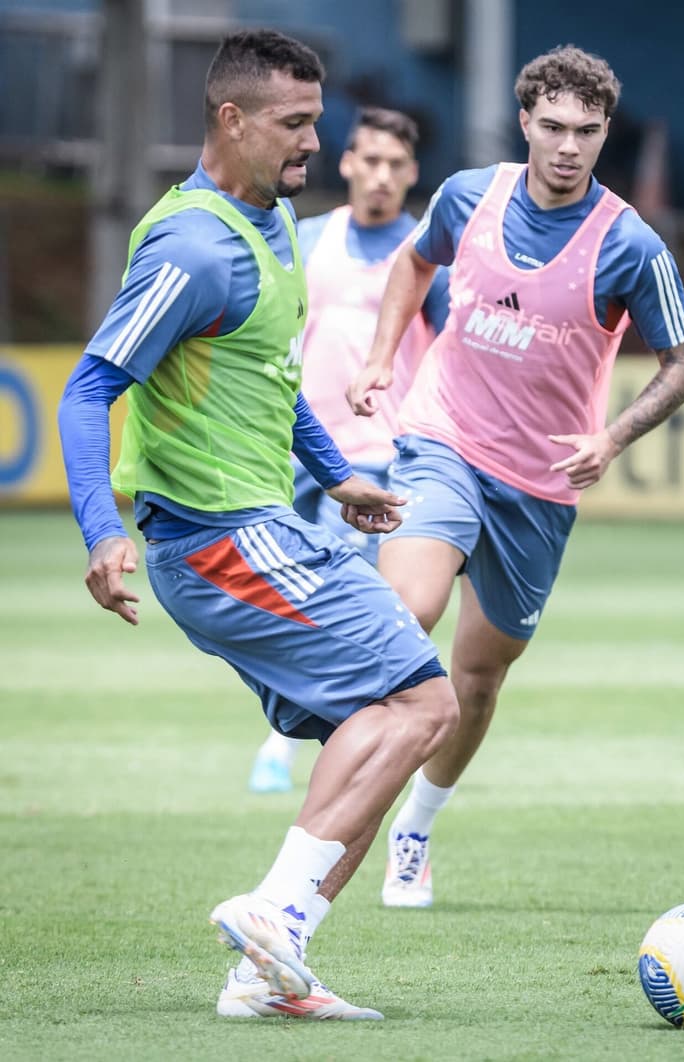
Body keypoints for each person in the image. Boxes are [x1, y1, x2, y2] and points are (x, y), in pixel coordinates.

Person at [57, 29, 458, 1021]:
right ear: (229, 120)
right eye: (293, 123)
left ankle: (269, 973)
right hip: (218, 540)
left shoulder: (273, 221)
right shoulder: (195, 247)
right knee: (428, 703)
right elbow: (90, 386)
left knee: (381, 734)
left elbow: (272, 386)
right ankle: (276, 910)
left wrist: (338, 477)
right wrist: (100, 532)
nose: (313, 143)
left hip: (272, 524)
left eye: (315, 121)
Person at [345, 44, 684, 907]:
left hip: (540, 488)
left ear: (604, 130)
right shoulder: (468, 195)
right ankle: (340, 811)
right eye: (553, 127)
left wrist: (610, 439)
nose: (569, 145)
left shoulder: (632, 245)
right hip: (443, 440)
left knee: (477, 678)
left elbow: (683, 367)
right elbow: (415, 262)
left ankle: (417, 828)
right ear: (525, 121)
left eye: (586, 130)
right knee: (407, 617)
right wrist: (383, 359)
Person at [248, 105, 450, 794]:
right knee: (288, 605)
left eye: (396, 164)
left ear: (412, 174)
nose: (382, 175)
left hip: (373, 460)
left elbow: (451, 355)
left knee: (338, 602)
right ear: (347, 163)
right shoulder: (304, 239)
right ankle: (302, 733)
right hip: (290, 450)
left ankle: (297, 746)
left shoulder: (426, 257)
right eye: (370, 160)